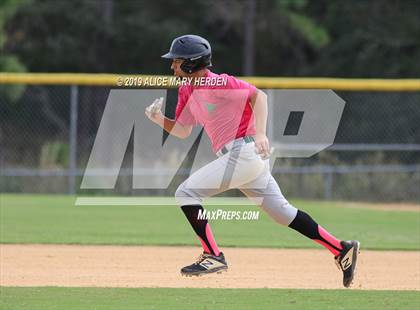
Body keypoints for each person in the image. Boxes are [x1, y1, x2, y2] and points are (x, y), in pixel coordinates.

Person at [145, 34, 360, 288]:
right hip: (240, 160)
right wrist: (159, 118)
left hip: (244, 154)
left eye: (177, 61)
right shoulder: (187, 89)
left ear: (192, 63)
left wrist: (260, 134)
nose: (172, 66)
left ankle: (213, 255)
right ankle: (341, 249)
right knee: (283, 214)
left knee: (185, 192)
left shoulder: (220, 83)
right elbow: (182, 130)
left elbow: (259, 97)